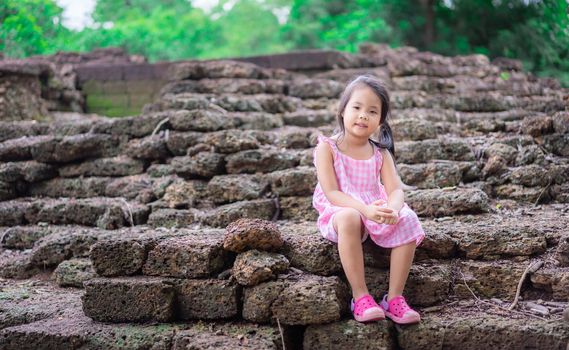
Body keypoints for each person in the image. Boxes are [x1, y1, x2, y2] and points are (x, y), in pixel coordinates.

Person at [312, 75, 425, 324]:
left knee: (408, 218)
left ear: (380, 121)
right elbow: (332, 193)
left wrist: (393, 210)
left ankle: (394, 299)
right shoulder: (327, 148)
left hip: (374, 206)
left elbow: (395, 190)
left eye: (372, 111)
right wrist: (364, 209)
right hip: (342, 208)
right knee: (351, 217)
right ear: (342, 111)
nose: (363, 115)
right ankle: (360, 296)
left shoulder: (380, 153)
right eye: (357, 107)